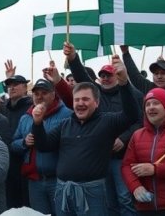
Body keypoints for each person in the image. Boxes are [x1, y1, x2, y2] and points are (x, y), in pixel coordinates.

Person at [31, 55, 139, 216]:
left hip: (93, 194)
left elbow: (131, 115)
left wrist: (123, 83)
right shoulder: (65, 124)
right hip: (63, 192)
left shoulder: (107, 122)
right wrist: (38, 124)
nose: (80, 103)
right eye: (77, 100)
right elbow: (43, 145)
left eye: (86, 99)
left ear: (96, 102)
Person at [64, 42, 142, 216]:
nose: (106, 78)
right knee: (108, 200)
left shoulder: (132, 94)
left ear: (118, 75)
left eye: (109, 75)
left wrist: (123, 138)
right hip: (100, 157)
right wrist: (73, 59)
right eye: (102, 75)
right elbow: (83, 77)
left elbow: (139, 121)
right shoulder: (96, 94)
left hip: (124, 157)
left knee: (125, 199)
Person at [11, 78, 72, 215]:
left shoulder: (66, 114)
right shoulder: (25, 117)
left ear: (53, 94)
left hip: (58, 180)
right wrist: (23, 143)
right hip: (35, 182)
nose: (39, 97)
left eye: (44, 92)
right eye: (36, 93)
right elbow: (13, 144)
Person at [1, 59, 33, 208]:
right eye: (9, 86)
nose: (11, 88)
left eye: (16, 85)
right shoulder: (4, 108)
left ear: (25, 88)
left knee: (27, 204)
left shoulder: (32, 107)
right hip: (7, 164)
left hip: (26, 162)